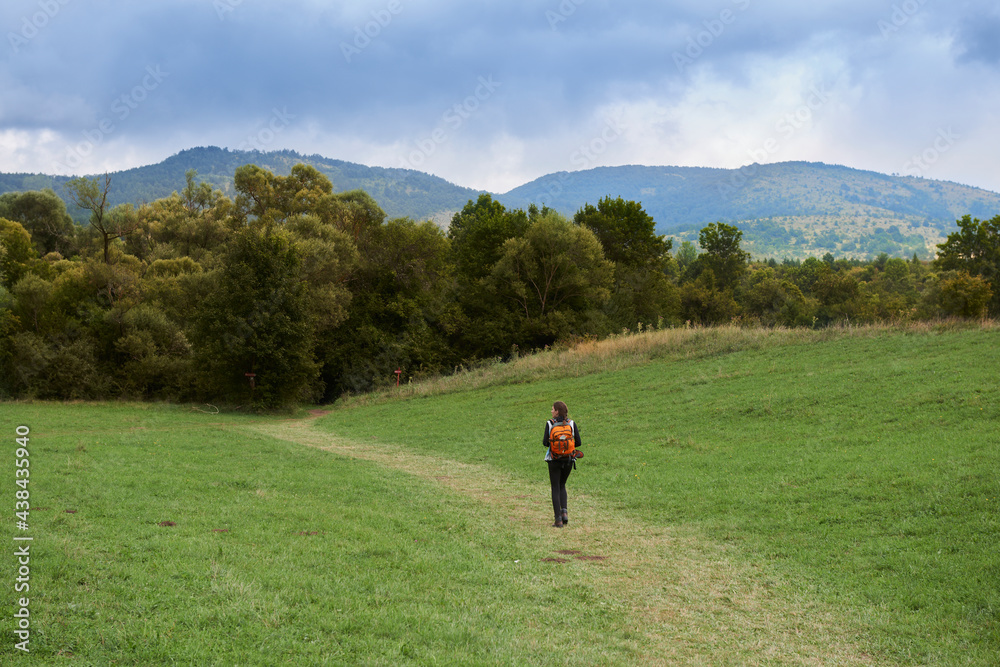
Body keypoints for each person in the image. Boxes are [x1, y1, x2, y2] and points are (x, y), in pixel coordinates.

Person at [543, 400, 582, 528]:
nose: (551, 411)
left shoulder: (550, 424)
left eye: (553, 409)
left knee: (555, 487)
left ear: (557, 411)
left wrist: (555, 444)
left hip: (554, 460)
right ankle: (564, 513)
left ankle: (558, 520)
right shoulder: (571, 423)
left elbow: (545, 443)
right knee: (562, 485)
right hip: (569, 460)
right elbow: (579, 442)